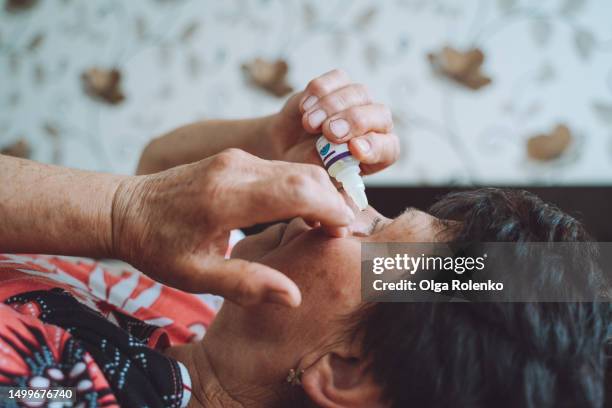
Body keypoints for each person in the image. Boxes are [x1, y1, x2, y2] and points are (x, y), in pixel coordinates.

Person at [0, 69, 399, 309]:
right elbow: (157, 168)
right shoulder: (212, 297)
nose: (351, 205)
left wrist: (123, 214)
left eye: (375, 230)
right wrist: (272, 142)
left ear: (346, 372)